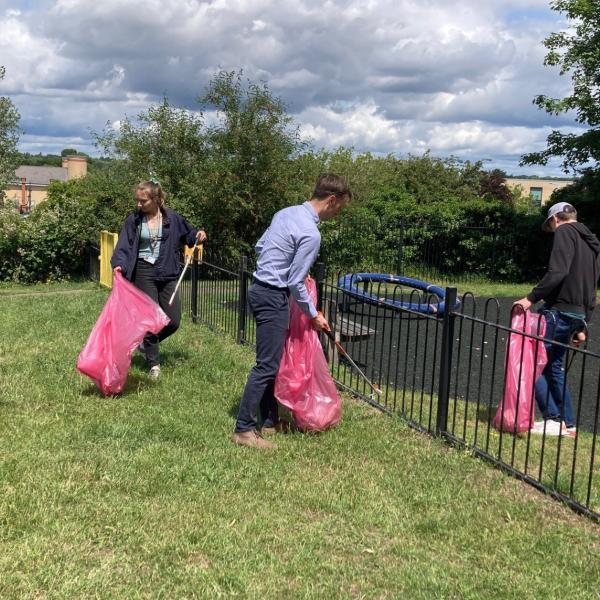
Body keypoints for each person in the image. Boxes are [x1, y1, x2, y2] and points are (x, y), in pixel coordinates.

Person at [232, 173, 352, 449]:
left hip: (259, 289)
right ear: (331, 200)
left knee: (271, 360)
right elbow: (295, 281)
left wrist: (278, 266)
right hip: (273, 297)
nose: (338, 213)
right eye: (340, 207)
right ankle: (243, 429)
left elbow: (261, 246)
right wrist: (314, 314)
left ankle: (270, 422)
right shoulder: (311, 233)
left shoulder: (285, 213)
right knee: (266, 365)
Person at [514, 201, 600, 437]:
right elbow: (592, 285)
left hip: (558, 310)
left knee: (532, 362)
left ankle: (553, 418)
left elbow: (558, 271)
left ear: (555, 219)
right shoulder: (592, 242)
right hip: (577, 313)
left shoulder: (563, 232)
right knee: (554, 366)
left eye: (550, 226)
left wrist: (531, 298)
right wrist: (583, 324)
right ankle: (568, 423)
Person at [111, 180, 207, 379]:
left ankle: (145, 344)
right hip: (143, 272)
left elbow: (189, 235)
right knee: (152, 319)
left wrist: (198, 234)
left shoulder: (172, 218)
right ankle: (154, 363)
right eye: (137, 200)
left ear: (157, 200)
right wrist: (119, 263)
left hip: (168, 270)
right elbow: (124, 245)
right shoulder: (134, 220)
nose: (138, 205)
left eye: (143, 201)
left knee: (173, 321)